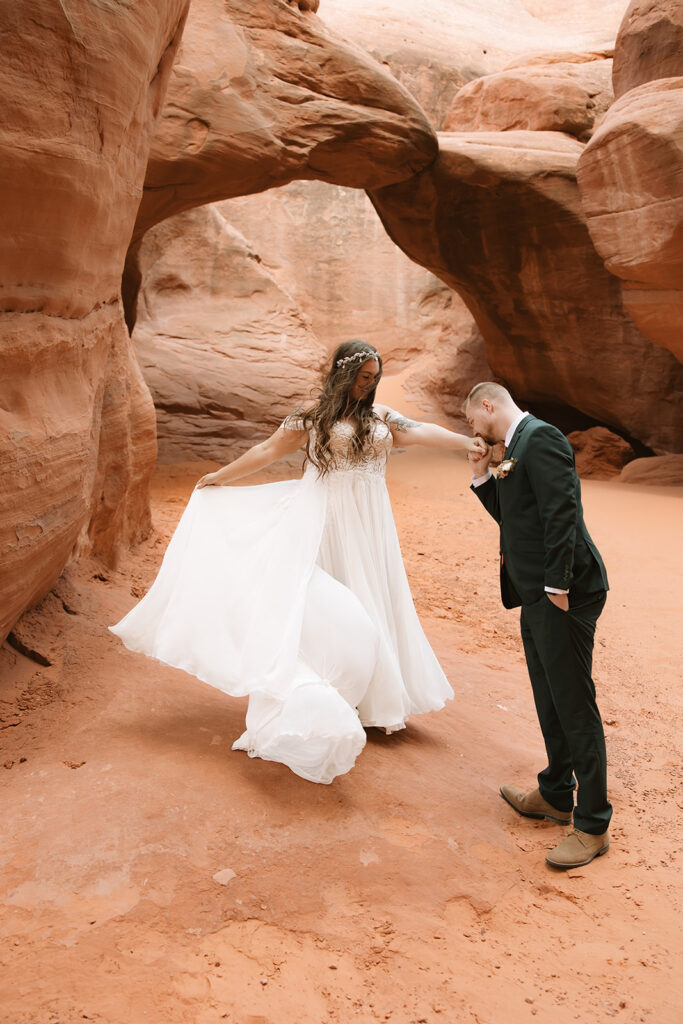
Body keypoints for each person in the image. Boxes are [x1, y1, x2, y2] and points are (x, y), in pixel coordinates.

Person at [111, 340, 485, 784]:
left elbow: (421, 430)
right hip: (322, 520)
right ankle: (321, 691)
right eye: (363, 377)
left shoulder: (380, 416)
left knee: (372, 596)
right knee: (324, 607)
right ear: (343, 374)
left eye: (374, 378)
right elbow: (268, 451)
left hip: (369, 524)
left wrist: (469, 443)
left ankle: (374, 699)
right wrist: (219, 476)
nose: (369, 385)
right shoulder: (312, 416)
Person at [465, 382, 611, 869]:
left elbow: (561, 511)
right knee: (548, 696)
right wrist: (482, 477)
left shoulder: (542, 437)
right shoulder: (514, 446)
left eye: (472, 421)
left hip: (561, 595)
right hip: (537, 595)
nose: (474, 431)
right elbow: (516, 519)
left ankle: (593, 824)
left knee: (574, 703)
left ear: (487, 405)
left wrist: (557, 586)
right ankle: (554, 794)